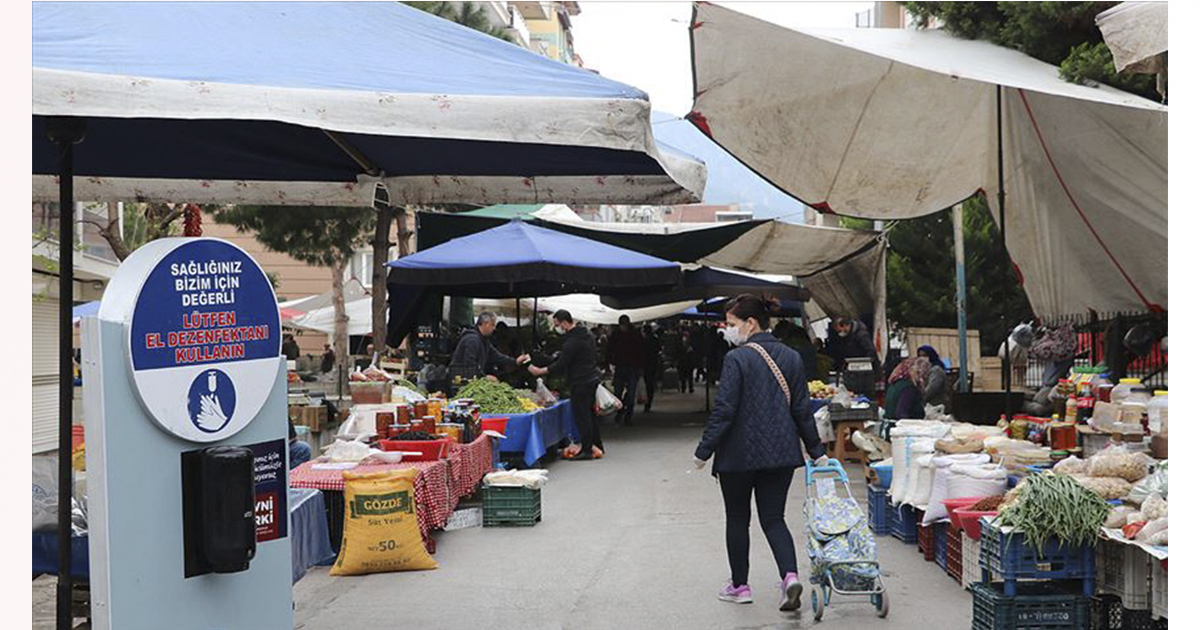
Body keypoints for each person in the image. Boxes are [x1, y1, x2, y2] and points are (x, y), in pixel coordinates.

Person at [693, 294, 828, 611]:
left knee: (738, 519)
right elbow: (802, 411)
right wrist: (817, 452)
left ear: (750, 323)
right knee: (774, 519)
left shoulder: (737, 359)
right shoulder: (792, 358)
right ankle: (790, 577)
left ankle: (740, 587)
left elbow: (725, 411)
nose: (728, 331)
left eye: (732, 324)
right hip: (781, 454)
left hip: (738, 457)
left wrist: (703, 451)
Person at [528, 310, 604, 460]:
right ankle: (597, 445)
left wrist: (541, 371)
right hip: (591, 378)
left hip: (580, 381)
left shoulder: (573, 340)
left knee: (582, 416)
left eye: (557, 325)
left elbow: (562, 363)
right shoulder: (587, 335)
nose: (558, 328)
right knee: (589, 414)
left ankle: (587, 450)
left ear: (564, 323)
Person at [449, 312, 530, 382]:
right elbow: (469, 364)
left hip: (471, 379)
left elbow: (496, 356)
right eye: (493, 325)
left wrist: (515, 361)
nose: (494, 328)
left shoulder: (484, 340)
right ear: (485, 324)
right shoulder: (472, 340)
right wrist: (485, 377)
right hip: (460, 380)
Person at [606, 315, 645, 426]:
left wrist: (641, 367)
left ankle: (627, 415)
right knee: (619, 392)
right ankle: (621, 412)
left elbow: (641, 352)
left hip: (631, 367)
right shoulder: (617, 335)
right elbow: (610, 350)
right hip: (622, 366)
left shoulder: (633, 335)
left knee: (630, 393)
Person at [917, 345, 949, 409]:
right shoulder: (922, 370)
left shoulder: (936, 370)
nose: (922, 358)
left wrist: (919, 399)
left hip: (937, 405)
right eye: (920, 356)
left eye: (925, 355)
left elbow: (931, 390)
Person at [642, 324, 663, 412]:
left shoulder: (643, 340)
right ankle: (648, 402)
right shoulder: (655, 339)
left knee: (646, 383)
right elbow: (659, 349)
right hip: (654, 363)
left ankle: (646, 402)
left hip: (645, 364)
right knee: (651, 384)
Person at [679, 327, 697, 393]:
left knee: (688, 376)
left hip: (687, 361)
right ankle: (686, 388)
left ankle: (688, 388)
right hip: (685, 361)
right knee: (686, 376)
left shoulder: (690, 343)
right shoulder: (683, 343)